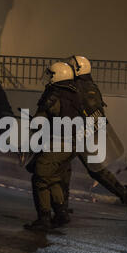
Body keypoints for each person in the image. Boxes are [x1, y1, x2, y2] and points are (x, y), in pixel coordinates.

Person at [65, 55, 127, 215]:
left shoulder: (81, 87)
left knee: (64, 166)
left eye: (71, 67)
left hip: (81, 133)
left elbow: (91, 112)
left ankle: (60, 207)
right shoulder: (86, 85)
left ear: (78, 70)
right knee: (90, 169)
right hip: (80, 132)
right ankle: (124, 194)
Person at [24, 62, 78, 231]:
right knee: (53, 177)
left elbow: (40, 122)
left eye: (51, 74)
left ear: (58, 75)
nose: (49, 78)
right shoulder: (75, 94)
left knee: (40, 178)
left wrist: (32, 123)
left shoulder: (54, 95)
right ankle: (61, 213)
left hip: (57, 142)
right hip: (73, 143)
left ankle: (44, 218)